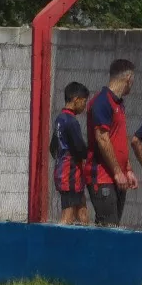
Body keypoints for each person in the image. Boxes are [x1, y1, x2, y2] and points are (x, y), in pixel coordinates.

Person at [87, 59, 142, 227]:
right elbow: (102, 138)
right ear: (128, 78)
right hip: (102, 177)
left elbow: (119, 140)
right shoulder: (102, 101)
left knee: (114, 226)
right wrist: (117, 171)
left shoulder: (119, 104)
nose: (133, 84)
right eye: (133, 80)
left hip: (118, 177)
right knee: (109, 228)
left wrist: (127, 169)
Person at [50, 81, 90, 225]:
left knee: (82, 211)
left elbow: (52, 147)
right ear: (75, 99)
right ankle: (58, 243)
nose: (84, 106)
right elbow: (80, 148)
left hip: (65, 173)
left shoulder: (60, 119)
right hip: (70, 175)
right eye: (84, 101)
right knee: (68, 215)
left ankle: (84, 241)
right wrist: (90, 152)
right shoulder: (71, 121)